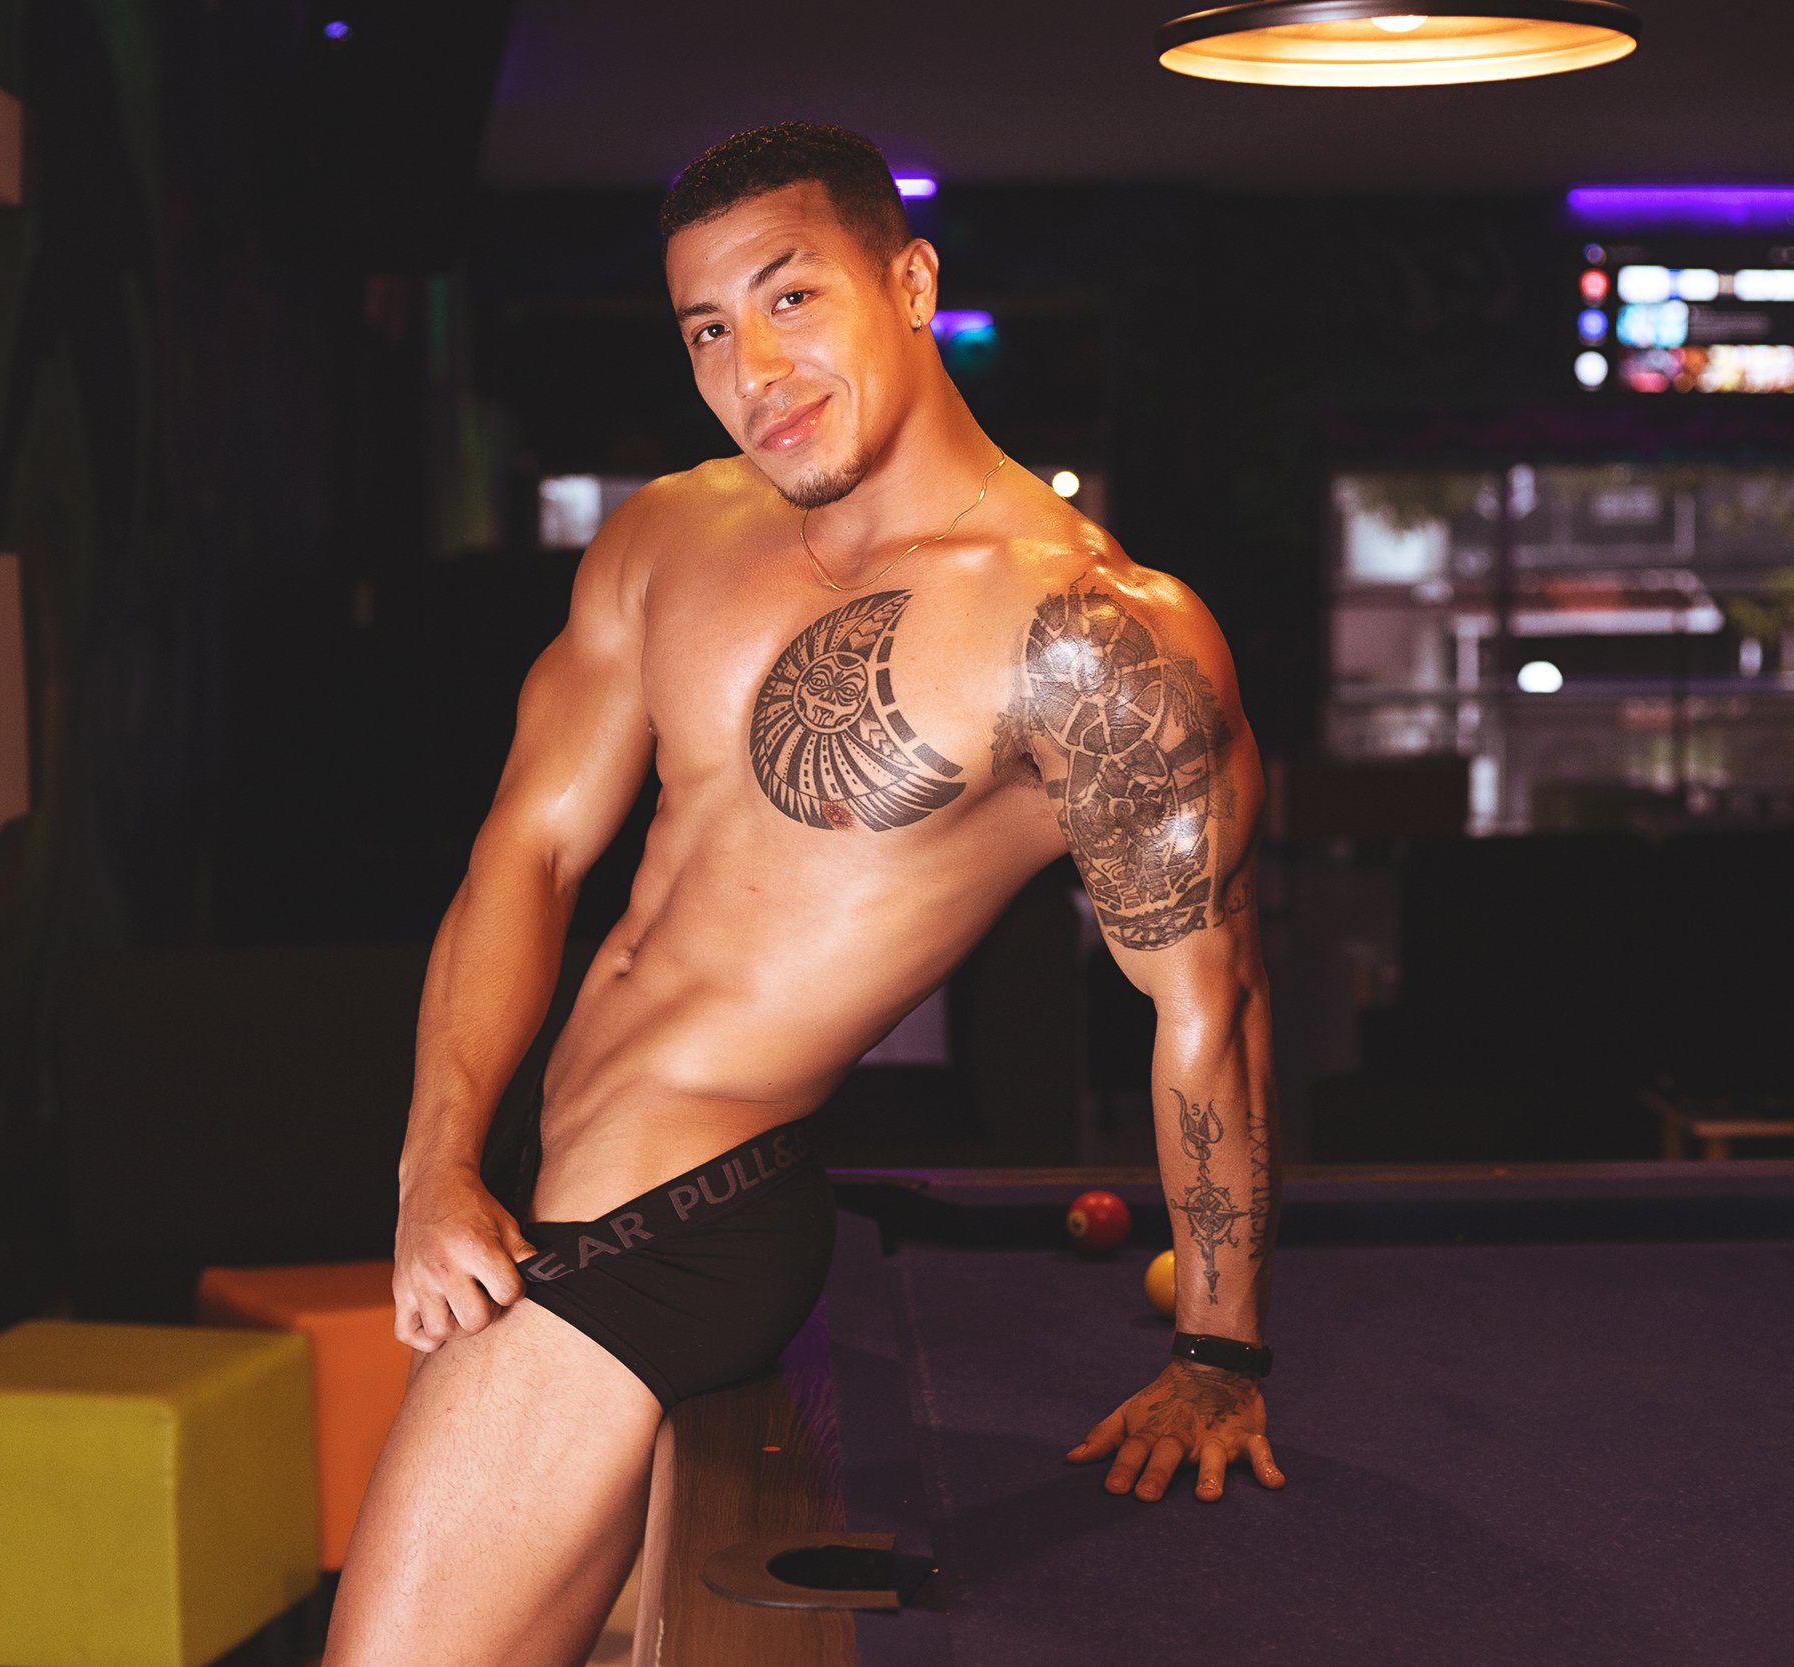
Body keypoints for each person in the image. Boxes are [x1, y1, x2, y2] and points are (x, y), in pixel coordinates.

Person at [324, 121, 1283, 1667]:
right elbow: (529, 850)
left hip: (678, 1220)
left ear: (910, 283)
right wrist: (433, 1161)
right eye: (708, 327)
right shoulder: (668, 534)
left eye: (791, 297)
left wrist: (1218, 1355)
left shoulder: (1089, 634)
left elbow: (1205, 1008)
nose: (752, 366)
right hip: (543, 1183)